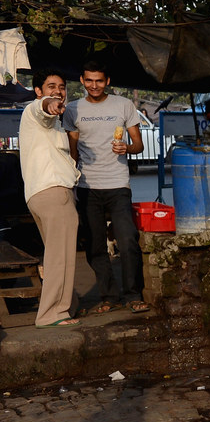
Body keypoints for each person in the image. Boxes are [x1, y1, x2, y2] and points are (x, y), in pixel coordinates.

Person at [63, 60, 150, 314]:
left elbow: (138, 145)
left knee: (128, 240)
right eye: (89, 80)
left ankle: (133, 294)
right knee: (95, 245)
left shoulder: (123, 105)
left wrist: (127, 148)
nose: (94, 85)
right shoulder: (73, 109)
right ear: (82, 80)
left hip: (117, 184)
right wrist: (70, 183)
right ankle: (109, 296)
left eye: (99, 81)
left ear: (107, 81)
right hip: (87, 186)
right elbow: (73, 151)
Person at [18, 68, 80, 327]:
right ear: (38, 90)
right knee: (61, 254)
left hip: (41, 193)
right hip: (53, 191)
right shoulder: (35, 110)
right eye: (51, 86)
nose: (58, 91)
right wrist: (50, 103)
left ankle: (65, 306)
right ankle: (52, 313)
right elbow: (42, 108)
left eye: (62, 87)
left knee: (56, 253)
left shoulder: (54, 123)